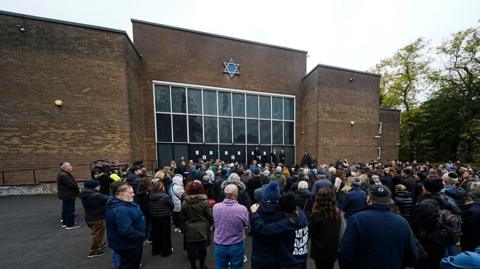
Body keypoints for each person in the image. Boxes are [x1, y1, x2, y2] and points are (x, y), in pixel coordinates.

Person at [338, 185, 419, 269]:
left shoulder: (357, 219)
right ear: (389, 200)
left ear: (369, 199)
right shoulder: (402, 222)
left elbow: (345, 251)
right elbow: (413, 255)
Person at [411, 176, 461, 269]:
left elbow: (416, 225)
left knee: (428, 263)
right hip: (442, 237)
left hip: (428, 241)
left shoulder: (425, 204)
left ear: (426, 188)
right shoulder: (448, 199)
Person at [250, 192, 309, 269]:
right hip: (302, 258)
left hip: (289, 262)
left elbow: (263, 229)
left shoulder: (285, 225)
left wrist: (254, 213)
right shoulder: (302, 216)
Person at [105, 183, 145, 269]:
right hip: (128, 244)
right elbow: (126, 230)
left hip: (127, 242)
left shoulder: (122, 203)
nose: (133, 194)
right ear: (121, 194)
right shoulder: (121, 210)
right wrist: (141, 236)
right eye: (130, 193)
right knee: (129, 265)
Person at [213, 184, 249, 269]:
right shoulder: (242, 209)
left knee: (220, 267)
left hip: (220, 243)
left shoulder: (216, 207)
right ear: (236, 194)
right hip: (236, 244)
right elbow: (245, 224)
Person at [250, 181, 283, 269]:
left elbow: (252, 231)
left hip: (258, 250)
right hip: (275, 251)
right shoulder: (283, 212)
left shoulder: (255, 209)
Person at [181, 181, 214, 269]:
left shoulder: (185, 202)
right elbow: (210, 216)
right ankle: (202, 265)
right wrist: (210, 224)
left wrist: (184, 226)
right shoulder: (204, 202)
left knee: (191, 249)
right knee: (202, 249)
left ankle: (193, 266)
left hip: (189, 228)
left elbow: (182, 217)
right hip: (203, 228)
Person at [309, 187, 341, 269]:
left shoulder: (316, 214)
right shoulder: (337, 212)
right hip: (332, 248)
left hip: (319, 249)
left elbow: (311, 232)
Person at [79, 179, 108, 257]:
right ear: (95, 186)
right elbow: (108, 199)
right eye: (98, 185)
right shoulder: (96, 195)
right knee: (97, 234)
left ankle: (99, 244)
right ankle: (93, 251)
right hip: (97, 218)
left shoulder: (85, 194)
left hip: (89, 217)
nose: (100, 187)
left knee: (97, 233)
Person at [148, 180, 173, 256]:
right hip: (164, 217)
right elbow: (171, 205)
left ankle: (156, 250)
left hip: (154, 217)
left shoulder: (150, 196)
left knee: (155, 234)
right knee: (165, 234)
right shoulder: (165, 196)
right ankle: (166, 251)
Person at [57, 161, 80, 229]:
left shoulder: (63, 173)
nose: (71, 167)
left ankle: (66, 223)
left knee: (66, 209)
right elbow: (71, 185)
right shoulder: (65, 175)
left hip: (66, 194)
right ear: (65, 167)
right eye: (70, 166)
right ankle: (70, 224)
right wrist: (77, 190)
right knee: (70, 209)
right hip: (68, 195)